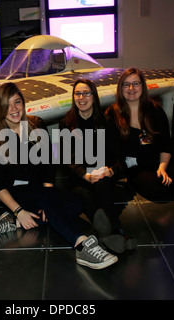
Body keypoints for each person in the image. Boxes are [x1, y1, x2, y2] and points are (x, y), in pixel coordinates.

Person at [0, 82, 118, 270]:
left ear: (23, 103)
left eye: (17, 102)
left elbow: (48, 164)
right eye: (7, 104)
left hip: (39, 190)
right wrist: (18, 210)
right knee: (47, 199)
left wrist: (49, 193)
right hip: (14, 195)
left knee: (76, 202)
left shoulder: (36, 124)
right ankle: (81, 244)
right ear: (0, 108)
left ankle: (13, 222)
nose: (13, 109)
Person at [105, 67, 174, 202]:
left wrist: (162, 168)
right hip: (137, 167)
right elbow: (115, 151)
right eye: (126, 84)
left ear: (143, 87)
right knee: (161, 192)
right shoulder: (112, 114)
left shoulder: (155, 110)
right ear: (120, 88)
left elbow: (166, 145)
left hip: (161, 159)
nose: (131, 88)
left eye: (136, 83)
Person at [59, 79, 136, 253]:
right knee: (87, 194)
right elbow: (66, 159)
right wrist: (85, 175)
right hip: (79, 177)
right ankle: (115, 232)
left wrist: (110, 170)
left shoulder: (106, 121)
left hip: (102, 174)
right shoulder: (66, 124)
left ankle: (105, 234)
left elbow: (118, 157)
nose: (82, 97)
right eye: (77, 93)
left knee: (101, 184)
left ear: (94, 96)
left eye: (86, 93)